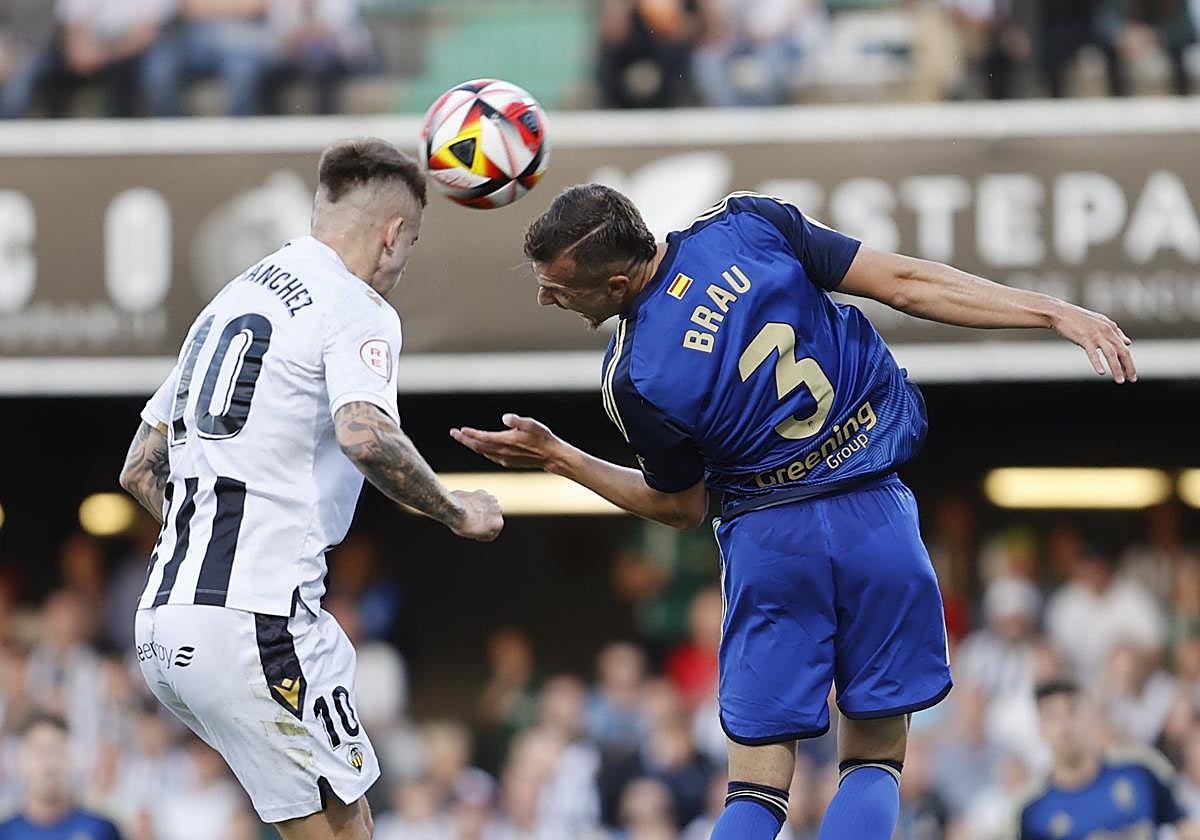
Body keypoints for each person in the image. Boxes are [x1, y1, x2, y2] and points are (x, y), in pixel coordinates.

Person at [451, 184, 1136, 839]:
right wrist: (1052, 311)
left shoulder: (636, 378)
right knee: (873, 759)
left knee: (756, 790)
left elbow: (680, 507)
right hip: (877, 520)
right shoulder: (749, 224)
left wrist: (560, 458)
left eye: (558, 287)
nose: (545, 297)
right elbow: (905, 283)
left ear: (617, 285)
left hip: (772, 544)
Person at [118, 138, 503, 840]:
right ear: (393, 235)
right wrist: (456, 511)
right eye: (411, 244)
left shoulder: (230, 301)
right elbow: (365, 435)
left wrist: (211, 542)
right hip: (258, 620)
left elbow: (140, 467)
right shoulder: (354, 305)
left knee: (340, 820)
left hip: (163, 624)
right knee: (347, 828)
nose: (404, 261)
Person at [1014, 678, 1200, 839]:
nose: (1064, 727)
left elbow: (1185, 827)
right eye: (1052, 717)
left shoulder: (1139, 770)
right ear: (1040, 729)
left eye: (1071, 712)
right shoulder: (1032, 811)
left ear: (1089, 717)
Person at [0, 711, 122, 840]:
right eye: (39, 752)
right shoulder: (5, 833)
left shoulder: (101, 829)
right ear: (20, 759)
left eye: (57, 750)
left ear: (71, 758)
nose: (49, 764)